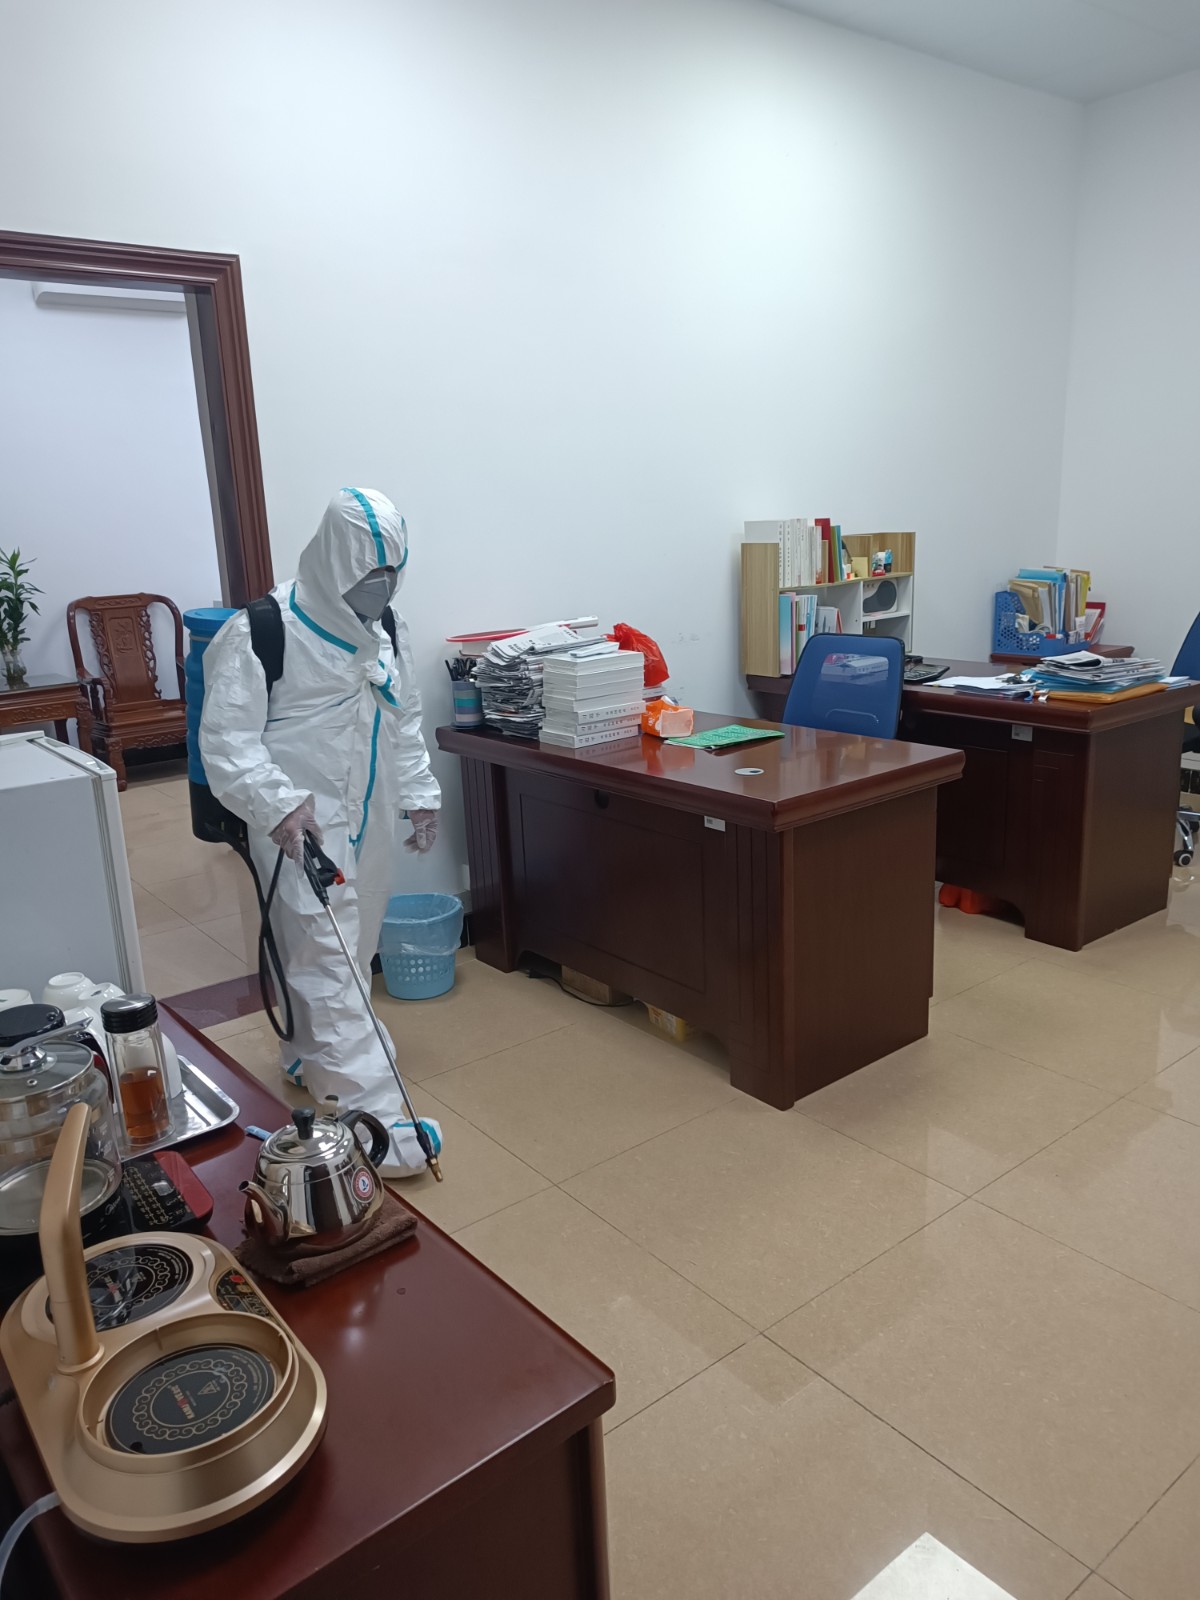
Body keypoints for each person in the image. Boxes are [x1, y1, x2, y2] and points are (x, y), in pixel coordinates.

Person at [199, 486, 441, 1175]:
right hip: (299, 826)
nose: (381, 585)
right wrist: (278, 806)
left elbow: (403, 718)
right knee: (326, 955)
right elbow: (228, 742)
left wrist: (419, 796)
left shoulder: (386, 627)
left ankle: (308, 1054)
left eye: (392, 571)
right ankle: (375, 1126)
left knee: (350, 948)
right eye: (368, 571)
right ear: (333, 560)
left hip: (370, 818)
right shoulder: (261, 631)